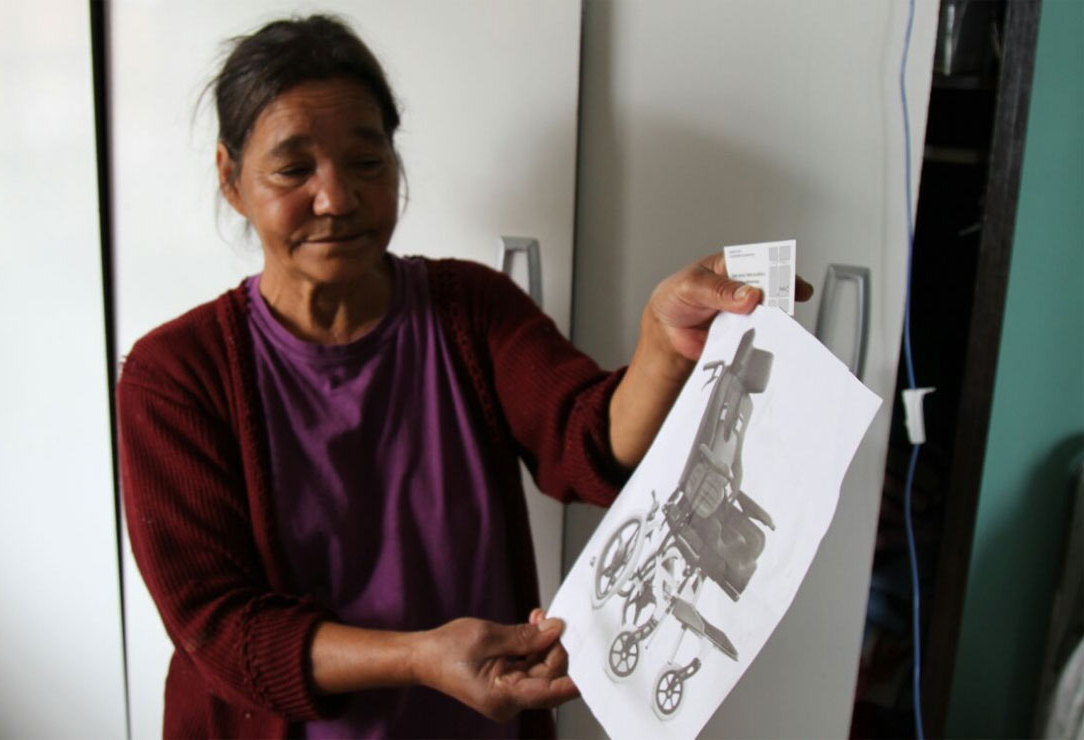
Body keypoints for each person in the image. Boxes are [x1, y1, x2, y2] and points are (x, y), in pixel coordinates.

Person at [117, 14, 811, 739]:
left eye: (367, 161)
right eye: (294, 170)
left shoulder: (469, 309)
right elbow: (219, 626)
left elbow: (585, 438)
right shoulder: (176, 379)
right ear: (230, 177)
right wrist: (419, 658)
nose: (337, 198)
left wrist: (664, 344)